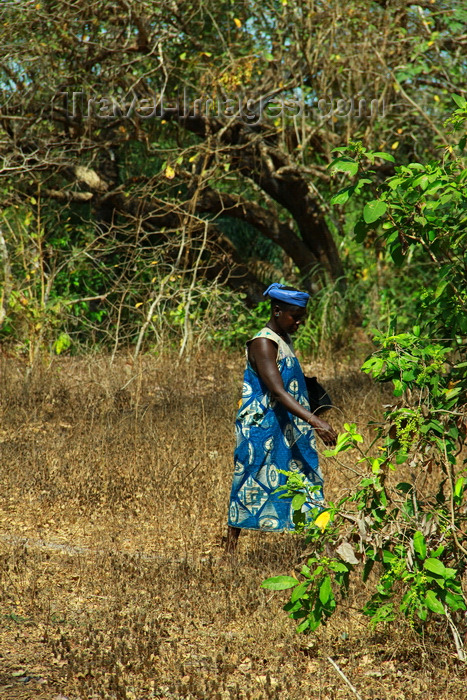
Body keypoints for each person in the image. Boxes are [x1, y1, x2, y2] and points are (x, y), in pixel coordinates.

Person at [225, 283, 337, 554]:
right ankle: (230, 549)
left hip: (286, 425)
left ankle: (319, 546)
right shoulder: (263, 343)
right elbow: (276, 390)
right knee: (251, 478)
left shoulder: (283, 339)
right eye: (295, 316)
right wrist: (315, 420)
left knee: (305, 476)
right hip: (263, 428)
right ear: (277, 311)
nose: (299, 322)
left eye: (302, 317)